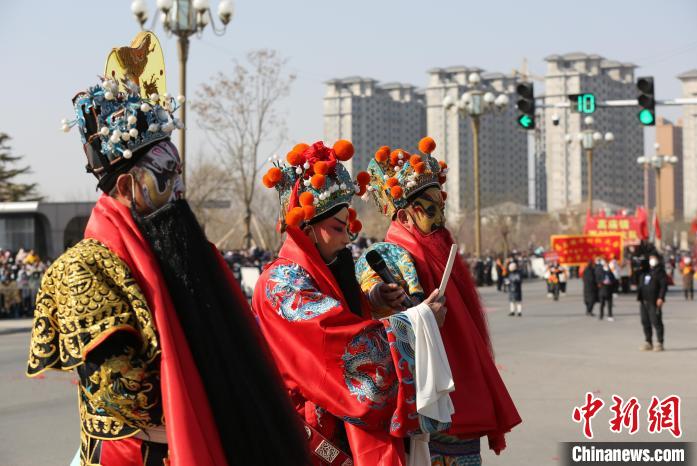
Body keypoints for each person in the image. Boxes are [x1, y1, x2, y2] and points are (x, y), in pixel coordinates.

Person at [27, 32, 306, 466]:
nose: (179, 189)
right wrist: (223, 373)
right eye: (166, 176)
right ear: (125, 185)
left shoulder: (182, 252)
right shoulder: (84, 269)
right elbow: (122, 394)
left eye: (179, 175)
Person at [254, 139, 455, 465]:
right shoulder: (282, 284)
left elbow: (343, 317)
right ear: (308, 227)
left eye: (349, 227)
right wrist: (419, 323)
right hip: (307, 435)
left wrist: (373, 303)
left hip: (337, 425)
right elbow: (339, 341)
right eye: (337, 227)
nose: (348, 238)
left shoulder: (320, 274)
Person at [355, 139, 521, 464]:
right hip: (426, 397)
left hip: (459, 395)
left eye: (440, 207)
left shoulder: (442, 253)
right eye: (429, 209)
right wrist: (379, 297)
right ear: (403, 216)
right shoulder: (387, 254)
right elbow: (371, 286)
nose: (439, 217)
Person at [638, 254, 667, 351]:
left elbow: (663, 286)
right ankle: (648, 341)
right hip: (644, 300)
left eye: (653, 258)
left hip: (654, 301)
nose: (651, 260)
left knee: (656, 321)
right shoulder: (645, 271)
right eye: (650, 258)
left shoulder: (660, 272)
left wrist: (661, 298)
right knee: (645, 321)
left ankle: (660, 342)